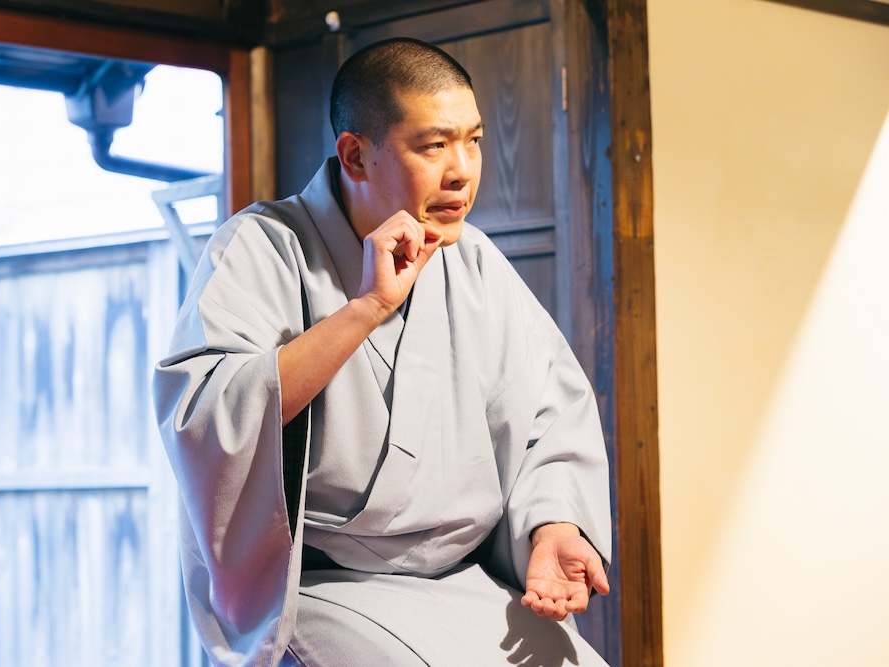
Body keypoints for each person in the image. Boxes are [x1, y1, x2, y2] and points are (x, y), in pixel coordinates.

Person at [153, 37, 612, 666]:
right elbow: (208, 416)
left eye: (474, 140)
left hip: (467, 579)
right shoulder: (263, 248)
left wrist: (553, 524)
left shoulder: (476, 263)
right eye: (433, 145)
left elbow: (550, 418)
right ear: (355, 155)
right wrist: (367, 306)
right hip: (325, 587)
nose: (462, 170)